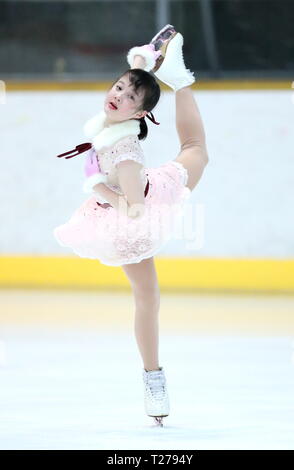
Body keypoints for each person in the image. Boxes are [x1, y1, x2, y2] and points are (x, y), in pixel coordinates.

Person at [53, 25, 209, 426]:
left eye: (127, 96)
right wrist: (143, 62)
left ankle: (153, 378)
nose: (117, 95)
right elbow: (135, 77)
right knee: (195, 151)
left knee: (148, 298)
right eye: (118, 87)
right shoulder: (118, 120)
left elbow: (135, 208)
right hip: (124, 213)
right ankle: (180, 81)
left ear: (140, 114)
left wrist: (99, 185)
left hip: (134, 210)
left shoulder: (125, 151)